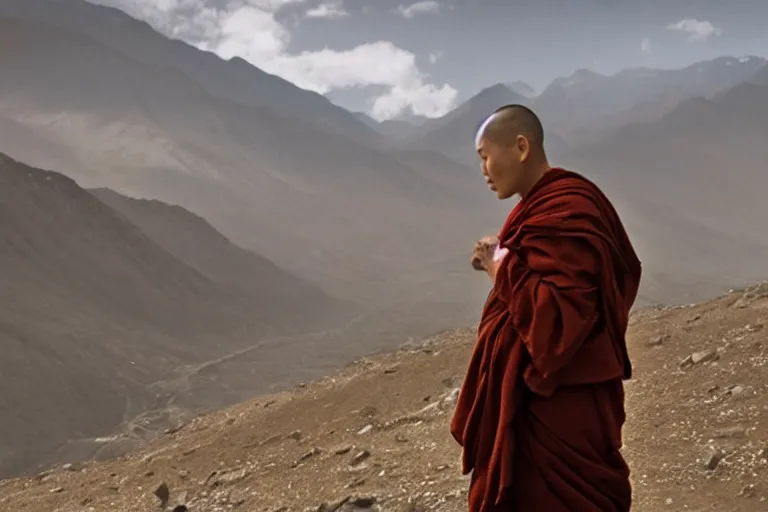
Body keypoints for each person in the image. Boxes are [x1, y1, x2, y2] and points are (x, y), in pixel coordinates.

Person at [451, 104, 642, 512]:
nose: (483, 169)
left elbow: (555, 324)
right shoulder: (543, 207)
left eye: (485, 156)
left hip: (559, 399)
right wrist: (500, 259)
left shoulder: (569, 207)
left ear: (521, 147)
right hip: (543, 392)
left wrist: (498, 264)